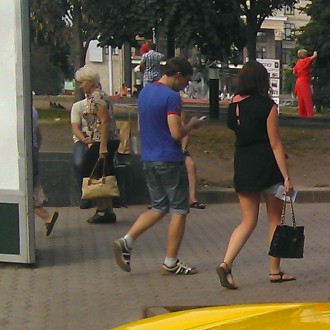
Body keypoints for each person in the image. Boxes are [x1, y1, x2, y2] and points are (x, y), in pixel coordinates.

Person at [112, 56, 206, 276]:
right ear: (178, 75)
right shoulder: (171, 98)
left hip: (149, 157)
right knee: (179, 209)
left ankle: (127, 240)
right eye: (185, 82)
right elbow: (176, 132)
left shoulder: (145, 92)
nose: (185, 87)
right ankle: (170, 262)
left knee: (158, 207)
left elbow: (142, 125)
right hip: (169, 159)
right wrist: (191, 125)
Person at [215, 61, 297, 289]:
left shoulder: (234, 104)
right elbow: (275, 143)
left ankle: (226, 263)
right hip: (267, 167)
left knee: (247, 221)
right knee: (275, 220)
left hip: (243, 164)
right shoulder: (267, 106)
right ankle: (274, 270)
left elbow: (239, 131)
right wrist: (287, 176)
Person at [75, 67, 119, 224]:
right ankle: (107, 209)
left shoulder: (96, 98)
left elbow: (104, 121)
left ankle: (102, 209)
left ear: (89, 82)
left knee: (92, 171)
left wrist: (103, 146)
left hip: (102, 139)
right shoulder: (102, 96)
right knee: (103, 172)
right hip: (107, 139)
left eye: (82, 83)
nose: (81, 86)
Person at [30, 106, 58, 237]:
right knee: (32, 187)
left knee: (25, 191)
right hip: (33, 150)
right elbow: (39, 134)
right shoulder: (33, 110)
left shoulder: (19, 108)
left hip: (26, 152)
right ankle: (46, 215)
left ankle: (46, 216)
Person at [69, 98, 93, 210]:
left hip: (98, 139)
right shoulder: (78, 106)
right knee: (79, 163)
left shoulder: (102, 104)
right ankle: (84, 194)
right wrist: (85, 140)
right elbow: (75, 128)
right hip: (82, 140)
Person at [182, 136, 205, 209]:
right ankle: (157, 200)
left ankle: (192, 198)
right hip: (162, 149)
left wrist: (183, 149)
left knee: (191, 165)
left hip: (177, 149)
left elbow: (185, 134)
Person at [293, 49, 317, 118]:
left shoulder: (298, 62)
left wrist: (300, 74)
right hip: (304, 81)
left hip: (298, 81)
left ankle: (302, 116)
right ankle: (310, 116)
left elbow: (294, 72)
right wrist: (315, 51)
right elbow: (314, 56)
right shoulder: (306, 60)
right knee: (307, 100)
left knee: (301, 101)